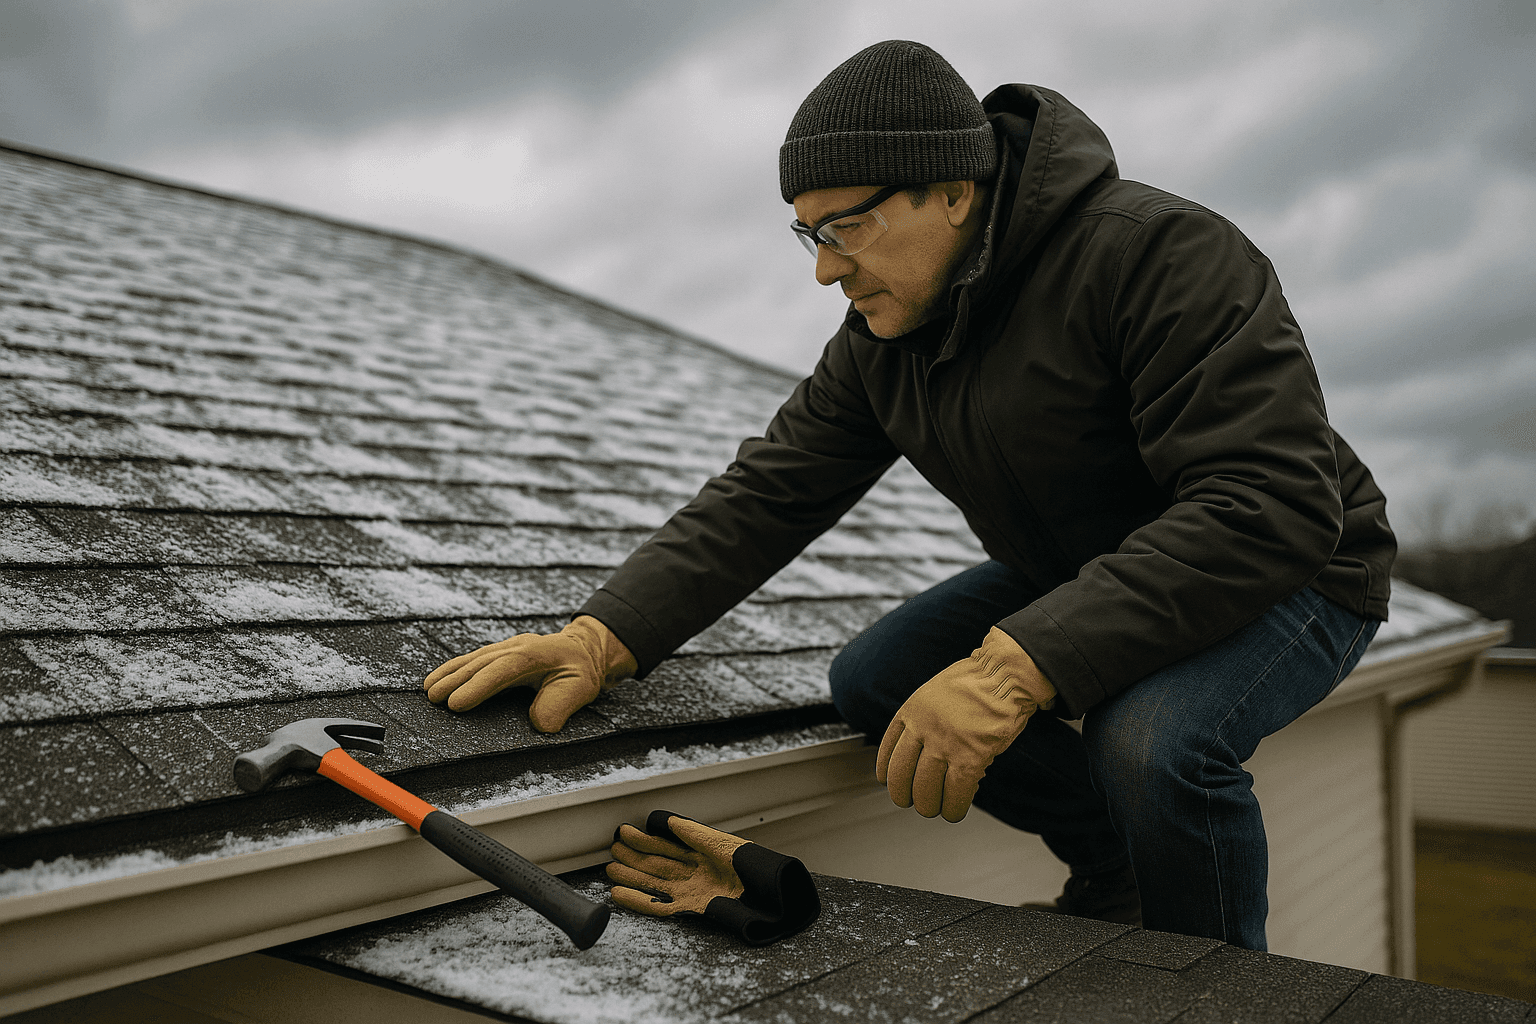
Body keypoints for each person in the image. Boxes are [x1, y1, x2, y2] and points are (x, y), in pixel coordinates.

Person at [423, 39, 1395, 951]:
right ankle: (1117, 871)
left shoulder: (1158, 255)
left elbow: (1268, 501)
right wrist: (605, 634)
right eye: (808, 231)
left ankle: (1218, 979)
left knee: (1148, 742)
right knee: (878, 679)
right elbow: (767, 492)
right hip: (1087, 569)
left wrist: (1016, 670)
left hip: (1296, 567)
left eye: (848, 227)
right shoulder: (885, 344)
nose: (824, 267)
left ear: (954, 193)